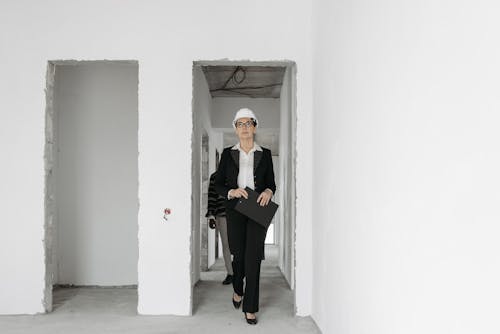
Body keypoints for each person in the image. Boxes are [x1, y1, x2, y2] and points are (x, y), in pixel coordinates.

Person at [214, 107, 276, 325]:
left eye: (248, 123)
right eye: (240, 124)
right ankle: (238, 288)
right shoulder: (228, 153)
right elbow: (218, 184)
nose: (245, 128)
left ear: (255, 127)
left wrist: (268, 191)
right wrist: (231, 192)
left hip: (257, 207)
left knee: (253, 260)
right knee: (238, 255)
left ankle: (250, 308)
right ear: (235, 128)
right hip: (236, 208)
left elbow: (271, 184)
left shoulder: (265, 154)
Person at [205, 168, 233, 285]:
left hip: (239, 214)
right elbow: (212, 195)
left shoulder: (239, 174)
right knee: (226, 245)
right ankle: (231, 273)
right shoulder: (215, 176)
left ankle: (240, 272)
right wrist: (211, 216)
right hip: (222, 215)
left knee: (240, 246)